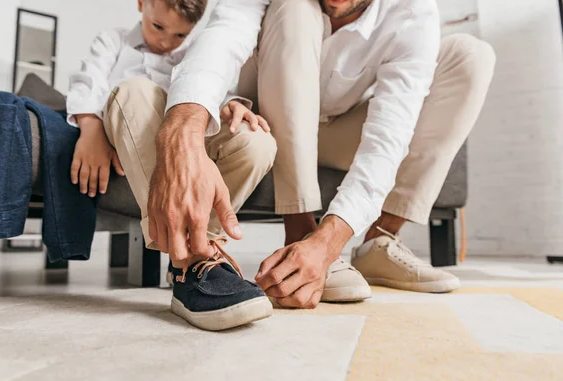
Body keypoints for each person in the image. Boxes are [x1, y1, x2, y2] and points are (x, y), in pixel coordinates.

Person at [243, 0, 496, 308]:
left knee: (471, 56)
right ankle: (299, 236)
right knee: (295, 6)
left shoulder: (412, 12)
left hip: (339, 131)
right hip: (265, 129)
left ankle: (378, 242)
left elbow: (388, 135)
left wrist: (329, 243)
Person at [67, 0, 277, 330]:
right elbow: (87, 82)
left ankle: (202, 248)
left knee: (257, 138)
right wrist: (90, 128)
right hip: (134, 129)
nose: (167, 41)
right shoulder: (113, 41)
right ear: (141, 4)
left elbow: (212, 85)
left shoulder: (197, 50)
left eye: (180, 34)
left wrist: (232, 104)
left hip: (187, 136)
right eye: (158, 27)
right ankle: (189, 260)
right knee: (134, 90)